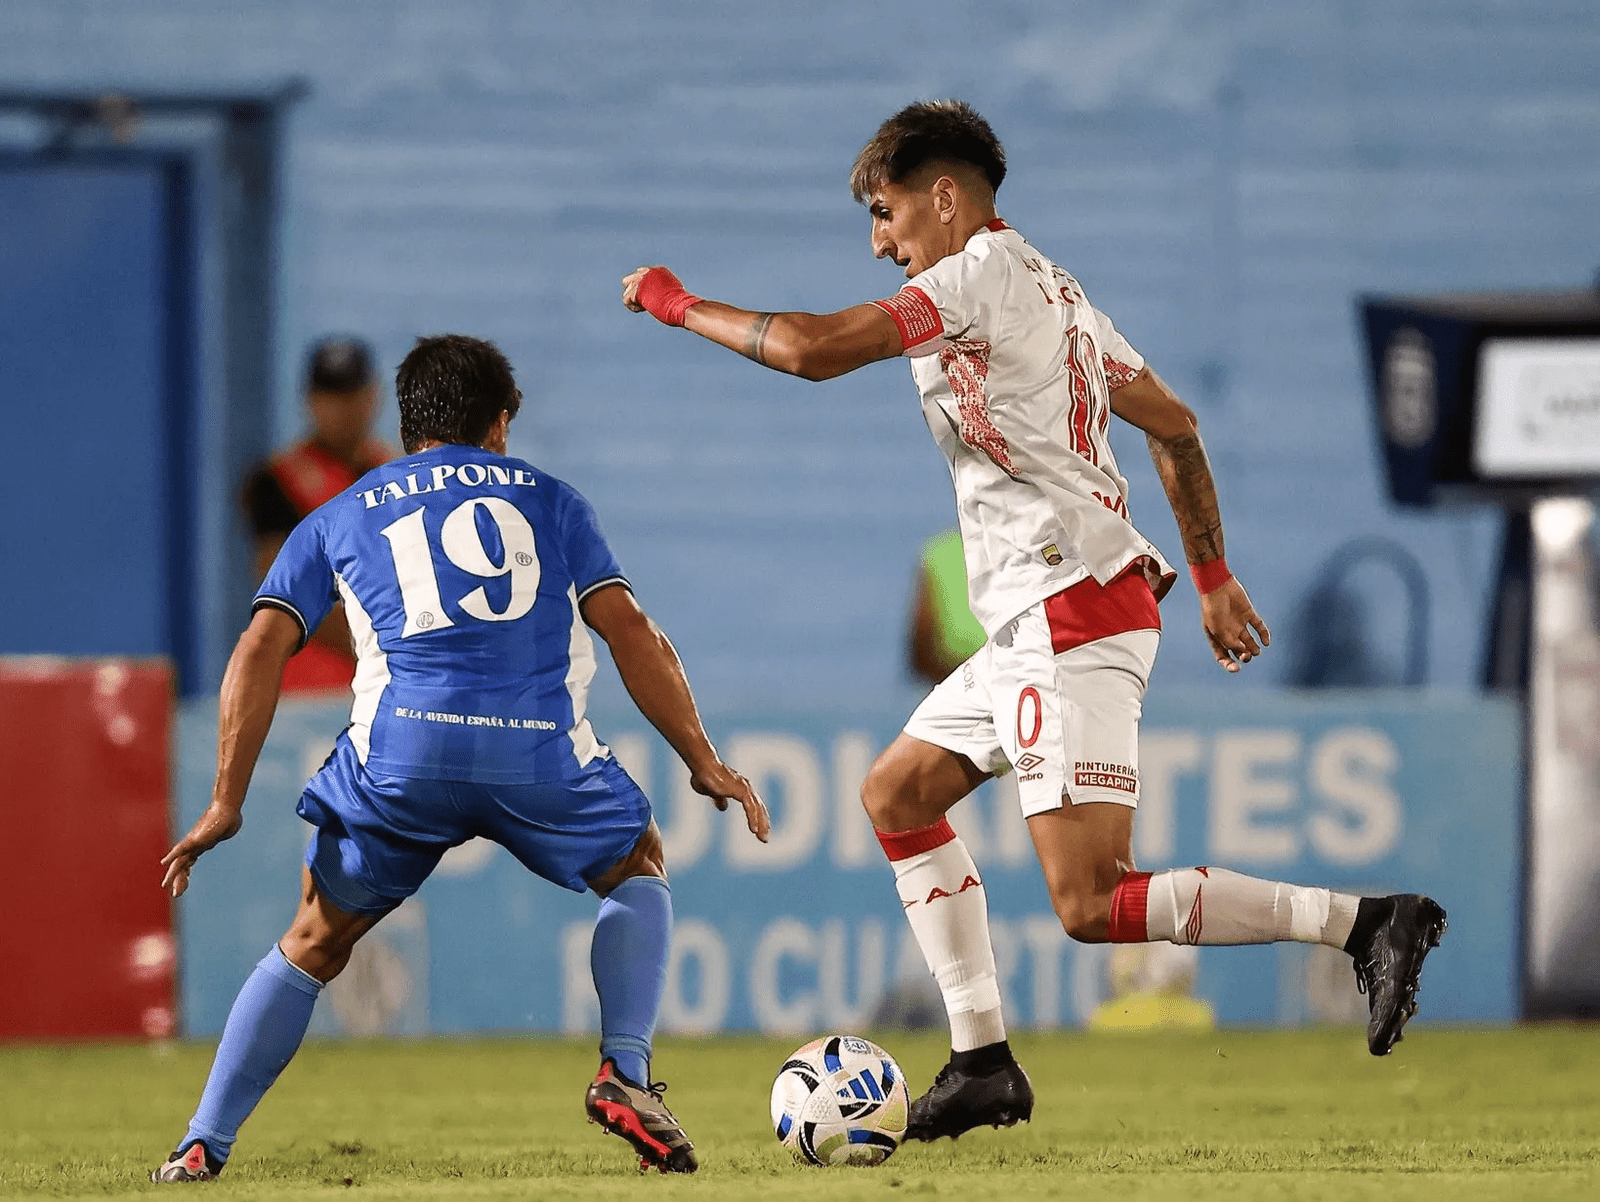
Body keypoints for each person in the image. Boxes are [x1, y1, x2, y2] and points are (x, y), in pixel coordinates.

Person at [621, 100, 1447, 1142]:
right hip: (1036, 617)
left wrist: (675, 302)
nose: (880, 240)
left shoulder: (971, 279)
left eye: (885, 212)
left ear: (945, 195)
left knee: (1089, 901)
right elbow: (1176, 427)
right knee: (897, 791)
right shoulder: (1059, 295)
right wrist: (1211, 574)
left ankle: (1366, 922)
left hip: (1069, 613)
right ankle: (980, 1060)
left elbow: (811, 349)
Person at [152, 335, 769, 1181]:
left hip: (403, 756)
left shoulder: (340, 512)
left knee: (312, 938)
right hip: (536, 755)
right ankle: (624, 1073)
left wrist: (227, 798)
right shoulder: (554, 501)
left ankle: (202, 1142)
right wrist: (701, 757)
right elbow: (630, 629)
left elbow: (261, 644)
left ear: (407, 424)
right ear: (501, 423)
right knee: (637, 864)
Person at [240, 337, 396, 692]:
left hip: (387, 685)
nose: (338, 409)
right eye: (327, 396)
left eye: (349, 395)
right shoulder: (276, 481)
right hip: (310, 683)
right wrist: (378, 649)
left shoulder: (399, 476)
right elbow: (282, 588)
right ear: (309, 402)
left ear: (371, 397)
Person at [907, 527, 987, 685]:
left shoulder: (937, 551)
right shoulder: (1014, 548)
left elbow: (921, 640)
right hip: (1004, 665)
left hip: (950, 668)